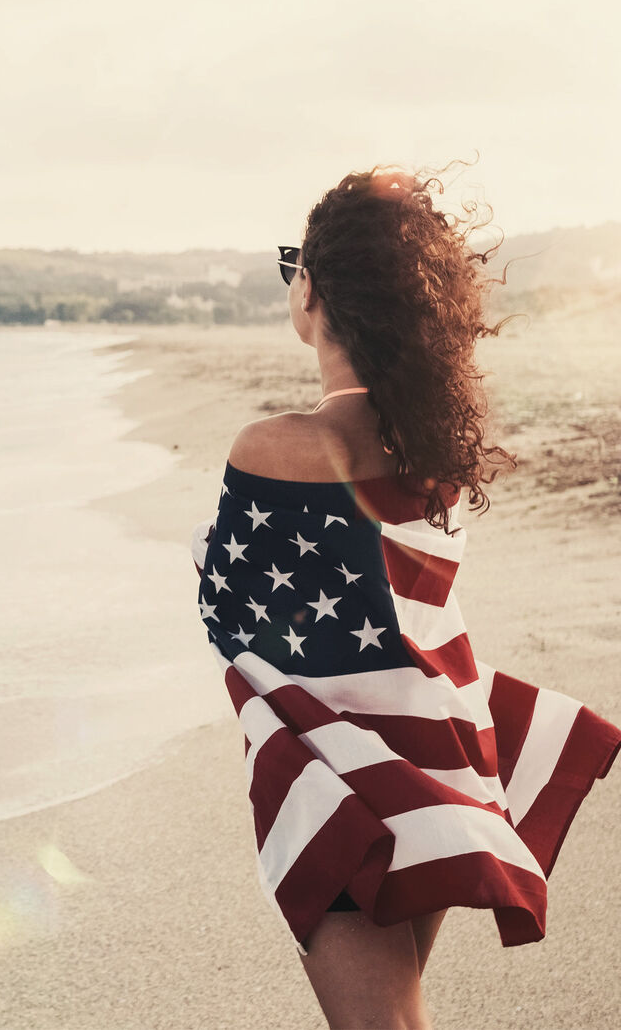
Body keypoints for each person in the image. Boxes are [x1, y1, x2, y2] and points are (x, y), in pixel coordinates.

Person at [190, 162, 620, 1030]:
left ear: (315, 291)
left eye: (293, 265)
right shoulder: (432, 449)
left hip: (343, 773)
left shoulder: (273, 446)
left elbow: (229, 606)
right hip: (439, 753)